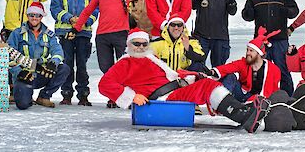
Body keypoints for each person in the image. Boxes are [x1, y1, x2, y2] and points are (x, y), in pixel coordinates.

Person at [98, 29, 270, 132]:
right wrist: (131, 97)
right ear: (129, 45)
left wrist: (190, 76)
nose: (141, 47)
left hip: (173, 89)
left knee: (207, 82)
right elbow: (104, 84)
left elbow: (169, 75)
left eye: (144, 44)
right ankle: (242, 115)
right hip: (162, 99)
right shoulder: (125, 62)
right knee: (207, 87)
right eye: (137, 44)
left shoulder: (149, 58)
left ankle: (243, 113)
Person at [74, 0, 141, 108]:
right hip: (103, 35)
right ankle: (114, 95)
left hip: (120, 34)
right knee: (106, 68)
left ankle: (121, 98)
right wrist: (76, 28)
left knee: (123, 67)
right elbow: (88, 10)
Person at [242, 0, 299, 96]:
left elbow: (294, 11)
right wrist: (249, 12)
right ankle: (260, 97)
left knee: (282, 68)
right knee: (260, 69)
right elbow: (246, 16)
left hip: (280, 39)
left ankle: (287, 98)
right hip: (261, 41)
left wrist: (286, 10)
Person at [50, 0, 98, 106]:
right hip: (65, 32)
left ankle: (83, 94)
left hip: (84, 32)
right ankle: (66, 94)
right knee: (67, 63)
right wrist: (70, 18)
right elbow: (55, 8)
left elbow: (96, 9)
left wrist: (84, 21)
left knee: (82, 64)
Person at [7, 2, 70, 110]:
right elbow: (8, 56)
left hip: (42, 73)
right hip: (24, 76)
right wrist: (19, 72)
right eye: (31, 15)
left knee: (64, 68)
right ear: (27, 16)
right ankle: (25, 95)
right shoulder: (16, 34)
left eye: (38, 15)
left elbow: (58, 51)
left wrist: (53, 63)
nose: (34, 18)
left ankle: (44, 96)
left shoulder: (49, 35)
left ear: (41, 17)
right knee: (23, 105)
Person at [206, 27, 281, 102]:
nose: (248, 53)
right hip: (242, 94)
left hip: (259, 99)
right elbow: (229, 67)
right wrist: (212, 72)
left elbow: (274, 90)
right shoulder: (243, 63)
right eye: (247, 50)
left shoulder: (273, 69)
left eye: (251, 51)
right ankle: (222, 102)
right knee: (230, 77)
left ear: (259, 53)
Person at [192, 0, 238, 67]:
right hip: (201, 36)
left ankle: (217, 85)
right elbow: (193, 6)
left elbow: (233, 12)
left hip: (220, 37)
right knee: (197, 67)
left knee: (218, 70)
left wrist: (231, 2)